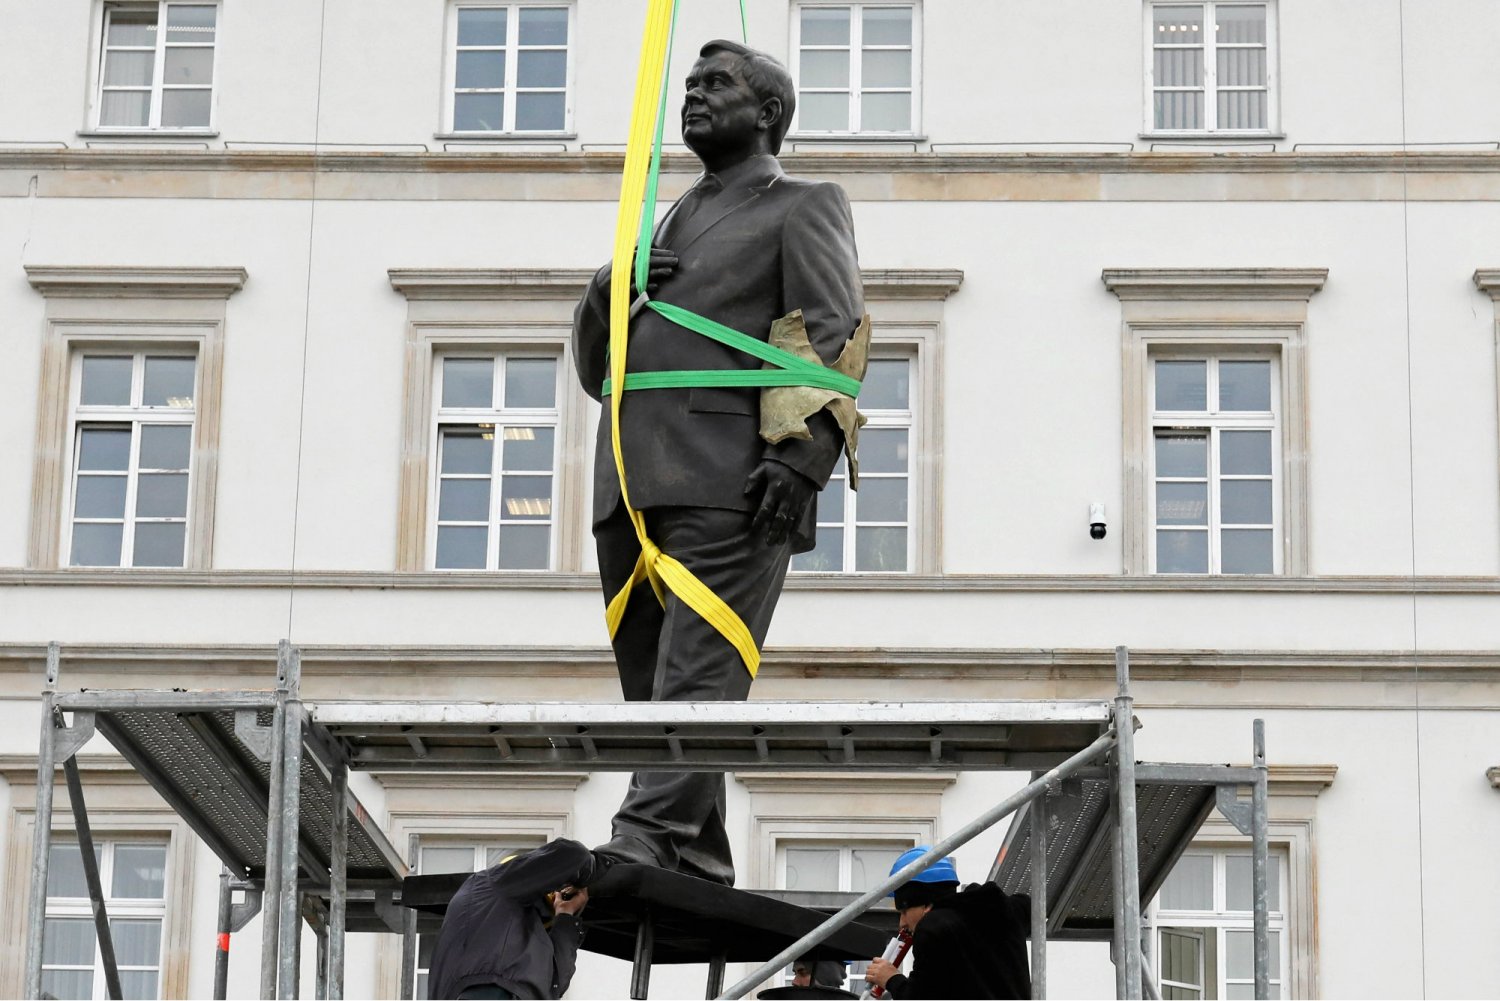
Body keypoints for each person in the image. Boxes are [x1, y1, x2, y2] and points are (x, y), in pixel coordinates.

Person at [573, 37, 867, 887]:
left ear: (769, 113)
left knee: (700, 666)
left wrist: (803, 459)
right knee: (653, 679)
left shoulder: (803, 202)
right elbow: (598, 371)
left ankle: (650, 832)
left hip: (732, 473)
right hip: (631, 477)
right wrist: (607, 286)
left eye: (716, 85)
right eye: (690, 84)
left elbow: (832, 333)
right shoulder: (662, 218)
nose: (693, 96)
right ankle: (697, 848)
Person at [426, 839, 604, 1000]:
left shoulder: (522, 950)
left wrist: (565, 917)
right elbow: (573, 855)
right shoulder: (491, 884)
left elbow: (555, 985)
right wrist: (595, 870)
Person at [863, 848, 1032, 1000]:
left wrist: (891, 978)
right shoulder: (1000, 911)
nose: (902, 923)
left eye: (904, 911)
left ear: (926, 904)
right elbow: (1026, 904)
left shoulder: (932, 928)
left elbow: (920, 998)